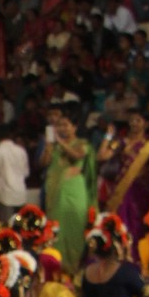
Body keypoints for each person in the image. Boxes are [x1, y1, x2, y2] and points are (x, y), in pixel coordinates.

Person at [97, 109, 149, 261]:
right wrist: (108, 135)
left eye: (138, 120)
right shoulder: (121, 141)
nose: (134, 124)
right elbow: (102, 156)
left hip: (141, 191)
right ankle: (118, 257)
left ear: (146, 124)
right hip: (121, 191)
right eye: (132, 120)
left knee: (138, 225)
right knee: (120, 223)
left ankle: (137, 259)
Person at [41, 106, 95, 274]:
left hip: (75, 193)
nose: (62, 128)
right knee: (56, 230)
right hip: (56, 194)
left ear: (75, 127)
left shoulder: (82, 144)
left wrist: (60, 142)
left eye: (66, 125)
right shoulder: (55, 146)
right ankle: (58, 268)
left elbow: (77, 156)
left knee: (75, 229)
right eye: (60, 125)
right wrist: (49, 146)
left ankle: (75, 268)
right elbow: (43, 163)